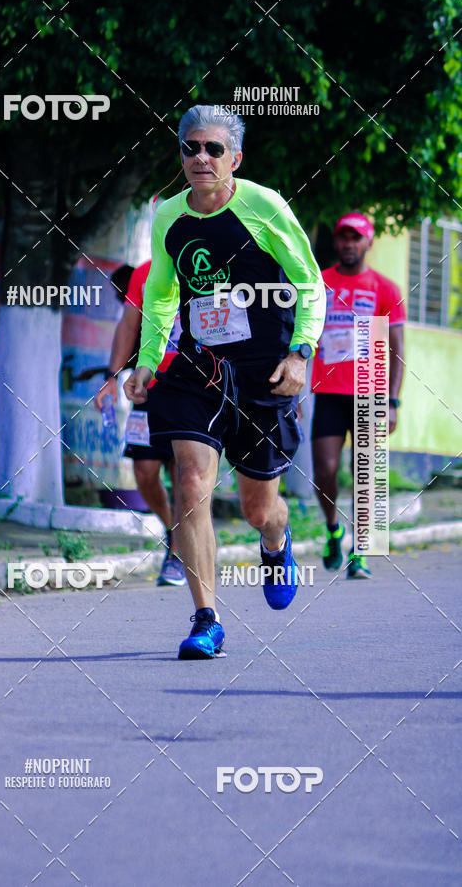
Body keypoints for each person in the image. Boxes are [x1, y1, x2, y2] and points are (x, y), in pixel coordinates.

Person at [124, 105, 326, 660]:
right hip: (198, 368)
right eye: (191, 148)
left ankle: (276, 542)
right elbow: (162, 292)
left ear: (235, 157)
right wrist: (147, 360)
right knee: (190, 481)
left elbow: (309, 284)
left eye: (214, 149)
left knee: (260, 507)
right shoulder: (167, 215)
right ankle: (205, 618)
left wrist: (301, 353)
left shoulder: (264, 206)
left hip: (265, 372)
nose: (201, 158)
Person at [311, 212, 405, 578]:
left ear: (368, 243)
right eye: (343, 238)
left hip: (368, 390)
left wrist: (392, 401)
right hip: (329, 390)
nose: (348, 245)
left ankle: (361, 549)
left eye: (356, 238)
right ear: (336, 243)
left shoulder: (385, 288)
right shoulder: (320, 282)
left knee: (364, 473)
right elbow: (306, 335)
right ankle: (335, 529)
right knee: (326, 471)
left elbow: (397, 348)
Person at [96, 261, 187, 587]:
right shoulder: (145, 272)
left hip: (193, 385)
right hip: (148, 383)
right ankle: (175, 530)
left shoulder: (209, 260)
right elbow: (128, 326)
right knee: (145, 473)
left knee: (184, 472)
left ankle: (178, 553)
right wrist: (111, 377)